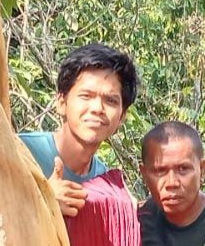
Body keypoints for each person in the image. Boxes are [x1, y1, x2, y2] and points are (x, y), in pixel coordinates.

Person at [19, 43, 139, 216]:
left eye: (111, 101)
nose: (98, 108)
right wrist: (42, 200)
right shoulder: (21, 152)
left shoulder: (103, 182)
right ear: (61, 103)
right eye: (86, 96)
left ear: (122, 117)